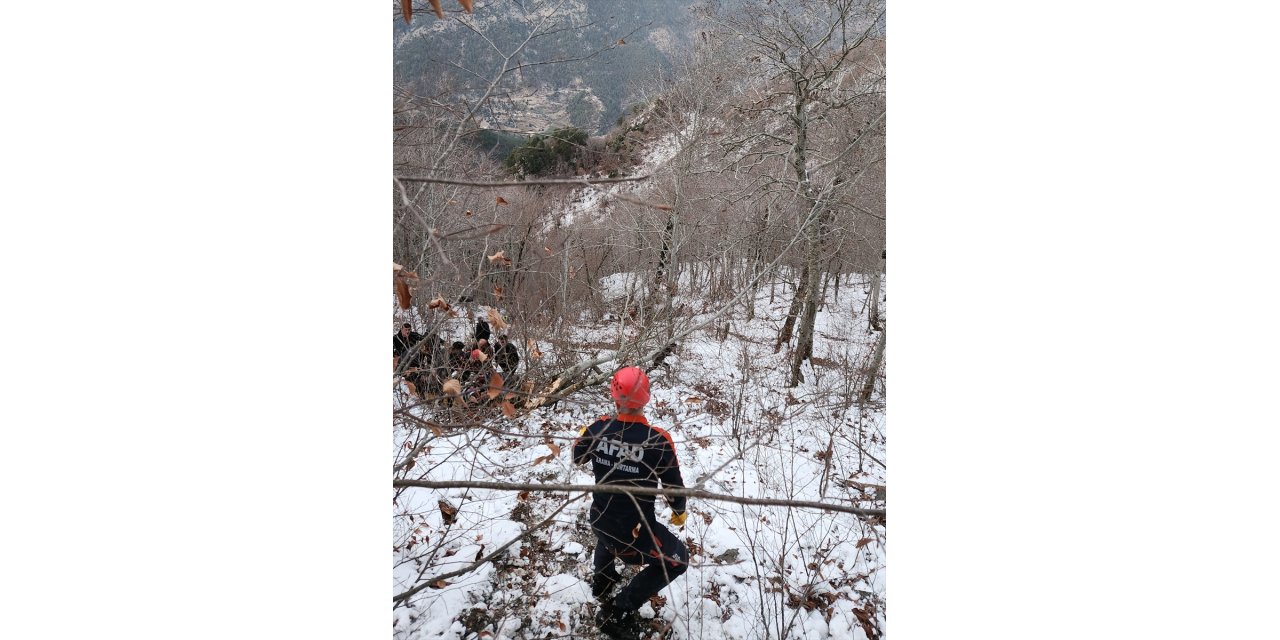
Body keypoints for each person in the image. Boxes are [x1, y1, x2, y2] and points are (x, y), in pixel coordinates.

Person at [572, 366, 688, 637]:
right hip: (633, 533)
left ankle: (602, 579)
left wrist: (585, 435)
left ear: (614, 396)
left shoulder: (599, 428)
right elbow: (674, 489)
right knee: (678, 561)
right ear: (646, 398)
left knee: (608, 527)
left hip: (599, 518)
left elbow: (577, 457)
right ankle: (620, 608)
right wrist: (678, 511)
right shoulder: (658, 441)